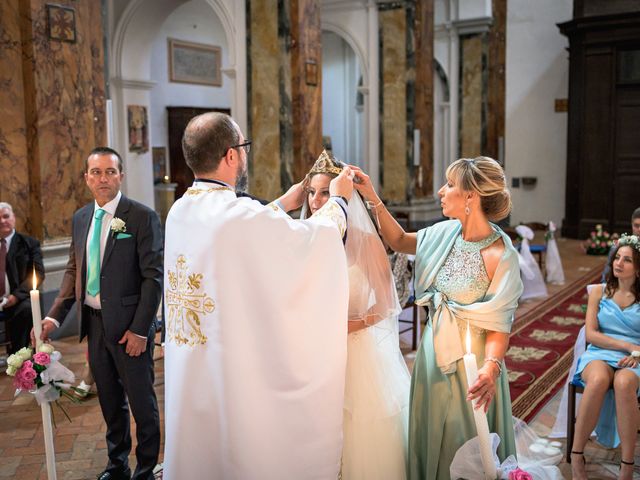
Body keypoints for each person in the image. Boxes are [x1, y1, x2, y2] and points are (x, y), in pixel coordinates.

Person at [162, 112, 354, 479]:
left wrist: (281, 203)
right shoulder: (237, 214)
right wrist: (339, 201)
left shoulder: (181, 211)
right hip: (230, 369)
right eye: (244, 148)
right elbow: (311, 244)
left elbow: (235, 238)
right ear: (231, 155)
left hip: (192, 360)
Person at [352, 156, 523, 479]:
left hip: (471, 369)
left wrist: (490, 369)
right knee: (429, 432)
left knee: (465, 439)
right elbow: (400, 240)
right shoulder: (446, 233)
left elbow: (500, 325)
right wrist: (371, 195)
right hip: (433, 356)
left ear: (471, 196)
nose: (441, 191)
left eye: (450, 185)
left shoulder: (501, 255)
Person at [38, 147, 163, 480]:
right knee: (109, 401)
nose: (103, 178)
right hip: (94, 326)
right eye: (96, 172)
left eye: (110, 171)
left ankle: (147, 469)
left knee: (142, 404)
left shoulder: (140, 216)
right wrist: (53, 316)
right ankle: (117, 464)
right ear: (86, 178)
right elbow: (73, 269)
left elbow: (153, 277)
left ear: (121, 175)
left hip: (129, 329)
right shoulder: (81, 217)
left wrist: (140, 330)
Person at [301, 151, 410, 479]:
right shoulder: (305, 237)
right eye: (312, 193)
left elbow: (386, 303)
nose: (318, 201)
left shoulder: (364, 241)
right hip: (318, 352)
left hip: (358, 351)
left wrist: (351, 325)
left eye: (325, 192)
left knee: (360, 431)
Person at [570, 236, 640, 480]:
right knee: (598, 380)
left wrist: (637, 353)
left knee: (624, 383)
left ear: (638, 267)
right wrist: (627, 345)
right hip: (600, 353)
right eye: (617, 257)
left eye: (627, 260)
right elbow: (591, 334)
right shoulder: (598, 291)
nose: (619, 263)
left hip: (635, 359)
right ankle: (577, 454)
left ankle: (627, 466)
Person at [0, 202, 45, 353]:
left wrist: (15, 297)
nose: (2, 221)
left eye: (6, 216)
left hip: (18, 299)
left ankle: (20, 355)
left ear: (13, 218)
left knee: (26, 310)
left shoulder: (29, 243)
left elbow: (38, 273)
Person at [602, 207, 640, 281]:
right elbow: (606, 278)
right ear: (632, 225)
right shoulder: (618, 246)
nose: (639, 229)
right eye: (636, 225)